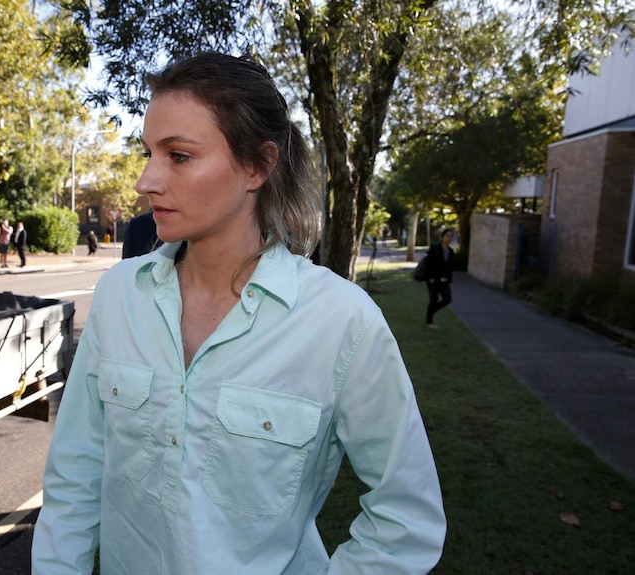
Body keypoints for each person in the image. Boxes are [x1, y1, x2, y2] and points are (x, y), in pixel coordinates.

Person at [32, 52, 445, 575]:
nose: (145, 180)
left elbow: (406, 519)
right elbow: (74, 477)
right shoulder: (118, 296)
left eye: (178, 156)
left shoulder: (341, 322)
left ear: (258, 166)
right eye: (148, 153)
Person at [425, 228, 455, 329]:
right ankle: (429, 321)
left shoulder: (450, 251)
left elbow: (450, 267)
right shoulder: (435, 248)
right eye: (447, 235)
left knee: (447, 298)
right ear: (442, 237)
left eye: (451, 236)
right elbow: (428, 263)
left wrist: (449, 280)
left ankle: (431, 311)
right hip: (433, 279)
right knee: (434, 299)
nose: (449, 238)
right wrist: (430, 277)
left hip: (444, 280)